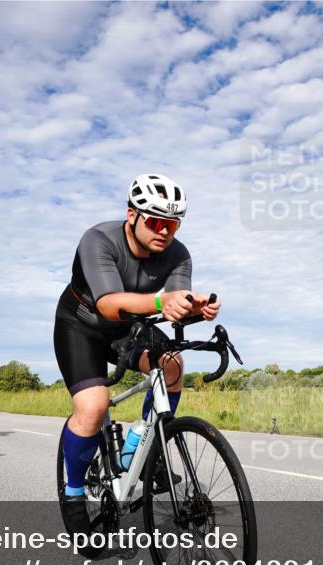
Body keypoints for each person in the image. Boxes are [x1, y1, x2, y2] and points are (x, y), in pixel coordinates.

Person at [53, 173, 219, 532]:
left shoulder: (178, 255)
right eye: (156, 222)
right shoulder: (98, 240)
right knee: (94, 407)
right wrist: (162, 300)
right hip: (81, 325)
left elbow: (172, 303)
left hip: (130, 325)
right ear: (132, 215)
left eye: (172, 225)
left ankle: (137, 449)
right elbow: (111, 303)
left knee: (173, 365)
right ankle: (74, 491)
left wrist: (194, 307)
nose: (165, 232)